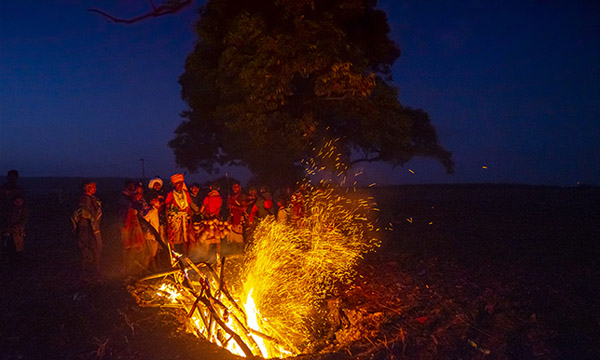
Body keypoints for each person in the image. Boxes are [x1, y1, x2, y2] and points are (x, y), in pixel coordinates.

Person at [71, 179, 102, 281]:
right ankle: (84, 272)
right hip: (85, 227)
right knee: (85, 249)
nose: (95, 188)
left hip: (93, 227)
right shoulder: (83, 199)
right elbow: (81, 213)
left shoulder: (92, 199)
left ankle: (95, 270)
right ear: (88, 188)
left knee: (95, 248)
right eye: (93, 186)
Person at [120, 181, 148, 276]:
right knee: (129, 248)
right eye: (134, 190)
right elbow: (133, 207)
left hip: (136, 225)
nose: (137, 193)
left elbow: (142, 208)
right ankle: (127, 269)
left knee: (136, 247)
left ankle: (135, 269)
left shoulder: (134, 199)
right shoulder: (126, 198)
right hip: (128, 225)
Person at [165, 173, 192, 256]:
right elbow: (167, 206)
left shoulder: (186, 194)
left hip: (184, 217)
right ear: (174, 184)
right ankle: (174, 256)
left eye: (181, 183)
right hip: (174, 219)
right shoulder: (171, 194)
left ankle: (186, 255)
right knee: (173, 238)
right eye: (178, 183)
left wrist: (190, 217)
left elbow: (188, 205)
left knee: (185, 237)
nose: (180, 185)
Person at [227, 182, 247, 248]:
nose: (235, 188)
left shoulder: (242, 196)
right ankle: (231, 249)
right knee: (231, 235)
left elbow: (244, 208)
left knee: (238, 235)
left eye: (237, 187)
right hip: (232, 218)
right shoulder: (231, 197)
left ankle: (239, 249)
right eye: (234, 187)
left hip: (239, 218)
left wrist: (234, 207)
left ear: (240, 188)